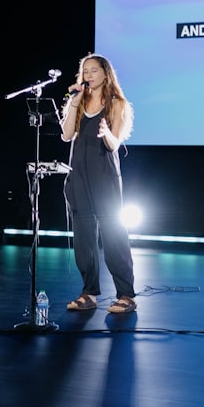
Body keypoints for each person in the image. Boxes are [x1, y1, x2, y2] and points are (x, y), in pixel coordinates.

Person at [60, 53, 137, 314]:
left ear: (105, 73)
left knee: (113, 234)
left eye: (93, 70)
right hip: (78, 175)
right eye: (85, 71)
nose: (88, 75)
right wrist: (74, 102)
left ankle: (126, 294)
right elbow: (67, 134)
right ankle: (89, 291)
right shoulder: (78, 102)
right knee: (83, 238)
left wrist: (106, 135)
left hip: (104, 175)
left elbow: (116, 143)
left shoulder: (117, 103)